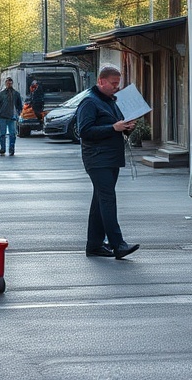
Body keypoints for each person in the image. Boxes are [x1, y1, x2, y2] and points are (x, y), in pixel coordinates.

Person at [76, 64, 138, 260]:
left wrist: (127, 128)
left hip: (110, 157)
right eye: (113, 83)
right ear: (101, 81)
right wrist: (113, 128)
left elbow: (116, 126)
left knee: (100, 201)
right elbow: (84, 131)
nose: (116, 87)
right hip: (97, 158)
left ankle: (94, 245)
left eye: (118, 84)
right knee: (107, 199)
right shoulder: (89, 102)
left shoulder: (111, 102)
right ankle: (118, 244)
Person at [0, 77, 22, 156]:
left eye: (10, 83)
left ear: (12, 83)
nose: (9, 84)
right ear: (5, 83)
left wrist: (18, 114)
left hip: (12, 117)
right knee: (3, 134)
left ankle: (11, 148)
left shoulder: (16, 94)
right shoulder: (1, 94)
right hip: (2, 116)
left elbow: (19, 106)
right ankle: (3, 148)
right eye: (7, 82)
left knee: (12, 134)